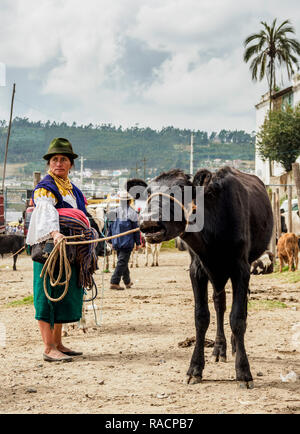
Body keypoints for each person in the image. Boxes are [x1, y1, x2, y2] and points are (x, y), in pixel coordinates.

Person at [26, 138, 97, 362]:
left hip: (71, 249)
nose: (59, 163)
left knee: (63, 293)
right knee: (48, 294)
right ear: (49, 164)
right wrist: (55, 233)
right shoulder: (45, 188)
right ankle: (48, 348)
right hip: (51, 248)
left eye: (63, 159)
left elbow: (82, 214)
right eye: (55, 159)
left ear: (70, 164)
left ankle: (58, 343)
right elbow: (46, 212)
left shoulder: (72, 189)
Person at [107, 190, 140, 290]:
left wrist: (109, 240)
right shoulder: (133, 213)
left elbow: (109, 227)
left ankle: (127, 281)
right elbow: (136, 230)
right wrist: (138, 243)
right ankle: (114, 282)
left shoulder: (113, 212)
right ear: (130, 201)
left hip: (116, 241)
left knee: (123, 261)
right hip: (127, 242)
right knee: (122, 262)